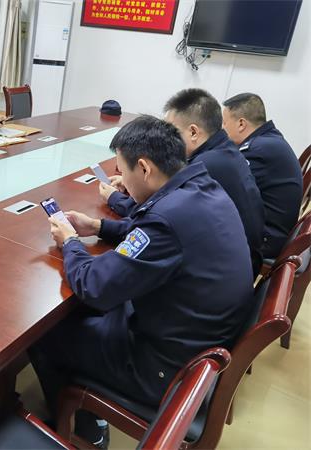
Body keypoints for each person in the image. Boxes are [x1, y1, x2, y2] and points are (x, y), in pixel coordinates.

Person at [29, 116, 253, 447]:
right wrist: (99, 226)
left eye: (123, 170)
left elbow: (94, 285)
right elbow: (155, 230)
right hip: (196, 340)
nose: (122, 180)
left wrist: (71, 242)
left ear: (145, 168)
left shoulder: (166, 218)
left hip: (166, 369)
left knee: (46, 332)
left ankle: (85, 431)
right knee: (86, 311)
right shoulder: (201, 186)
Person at [102, 89, 265, 275]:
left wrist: (115, 198)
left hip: (225, 266)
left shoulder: (204, 166)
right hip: (237, 261)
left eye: (172, 131)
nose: (165, 137)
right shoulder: (223, 151)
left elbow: (159, 213)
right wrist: (132, 179)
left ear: (193, 132)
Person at [222, 92, 303, 259]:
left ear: (241, 123)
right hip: (274, 232)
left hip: (266, 240)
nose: (222, 129)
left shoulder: (257, 150)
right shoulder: (268, 141)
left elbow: (228, 192)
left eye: (224, 122)